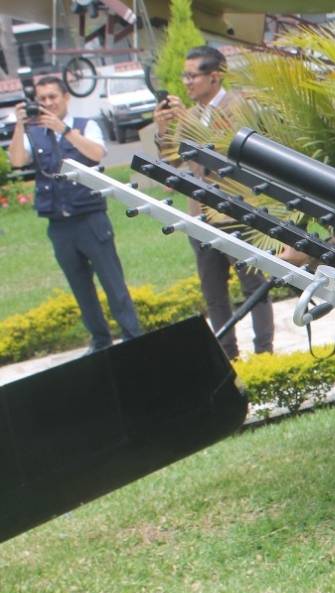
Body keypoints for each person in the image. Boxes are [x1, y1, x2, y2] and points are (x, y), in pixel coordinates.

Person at [6, 75, 143, 354]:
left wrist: (64, 130)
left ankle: (133, 337)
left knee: (113, 284)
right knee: (81, 288)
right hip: (59, 225)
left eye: (53, 97)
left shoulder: (85, 125)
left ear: (65, 97)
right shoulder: (33, 132)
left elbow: (97, 153)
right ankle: (100, 341)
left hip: (90, 219)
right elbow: (17, 160)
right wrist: (20, 126)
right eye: (42, 99)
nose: (48, 103)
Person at [153, 44, 274, 358]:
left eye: (193, 75)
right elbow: (171, 160)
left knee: (255, 290)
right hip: (201, 217)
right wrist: (164, 128)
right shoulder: (190, 114)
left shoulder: (240, 106)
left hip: (238, 212)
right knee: (214, 295)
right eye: (185, 75)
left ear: (215, 77)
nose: (187, 81)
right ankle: (228, 353)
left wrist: (189, 124)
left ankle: (265, 353)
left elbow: (226, 155)